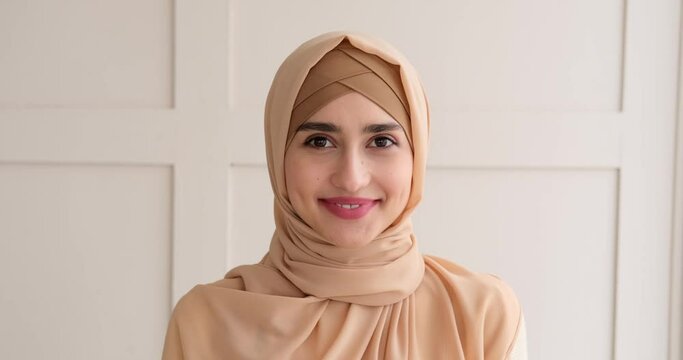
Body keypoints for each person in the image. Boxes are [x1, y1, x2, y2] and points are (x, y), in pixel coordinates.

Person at [162, 31, 527, 359]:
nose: (351, 178)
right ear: (278, 154)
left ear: (417, 155)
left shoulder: (481, 315)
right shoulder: (206, 322)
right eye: (319, 141)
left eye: (381, 141)